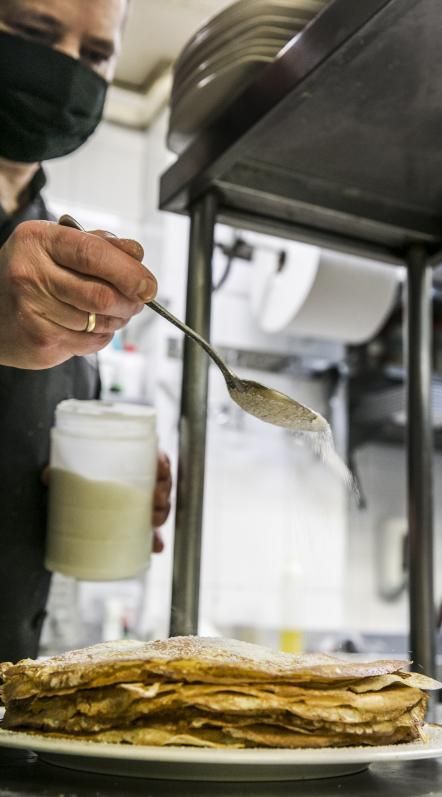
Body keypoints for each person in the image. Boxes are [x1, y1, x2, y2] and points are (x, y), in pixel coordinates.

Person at [0, 0, 172, 662]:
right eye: (33, 35)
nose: (66, 70)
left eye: (95, 54)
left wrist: (86, 477)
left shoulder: (55, 239)